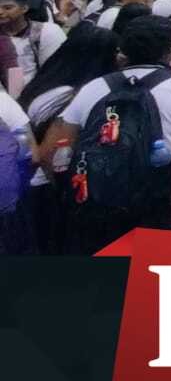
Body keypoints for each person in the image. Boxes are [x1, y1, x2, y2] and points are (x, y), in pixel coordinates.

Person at [44, 17, 171, 252]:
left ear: (123, 51)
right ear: (170, 48)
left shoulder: (94, 88)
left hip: (102, 186)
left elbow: (59, 148)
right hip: (166, 184)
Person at [15, 24, 120, 254]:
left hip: (27, 186)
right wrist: (65, 192)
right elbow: (48, 154)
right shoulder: (73, 96)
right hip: (49, 190)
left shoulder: (42, 86)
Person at [0, 0, 65, 94]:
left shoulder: (45, 32)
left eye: (7, 8)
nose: (0, 12)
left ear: (24, 8)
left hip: (37, 95)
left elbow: (53, 73)